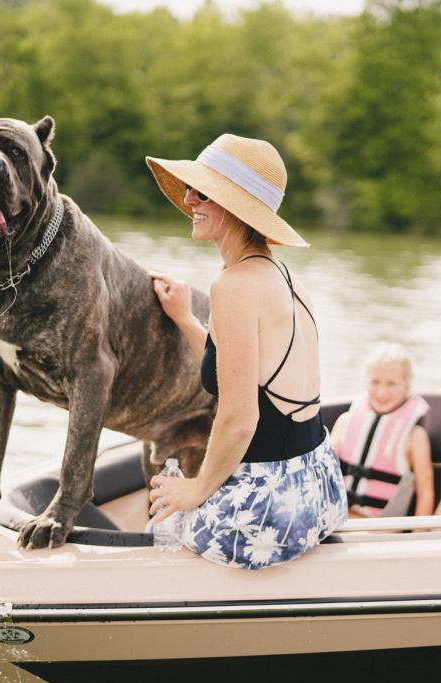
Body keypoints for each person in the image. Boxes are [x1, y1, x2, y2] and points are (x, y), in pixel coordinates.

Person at [143, 134, 347, 570]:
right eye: (189, 187)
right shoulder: (282, 276)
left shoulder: (233, 287)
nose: (188, 198)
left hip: (266, 511)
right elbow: (239, 369)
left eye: (202, 191)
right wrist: (185, 319)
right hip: (317, 488)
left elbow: (239, 419)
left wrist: (196, 490)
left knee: (153, 533)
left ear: (235, 206)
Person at [331, 343, 435, 517]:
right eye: (375, 382)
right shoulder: (345, 422)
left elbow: (425, 492)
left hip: (378, 531)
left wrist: (419, 537)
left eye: (391, 384)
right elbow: (323, 473)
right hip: (336, 519)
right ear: (365, 381)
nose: (382, 391)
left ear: (407, 386)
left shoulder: (415, 437)